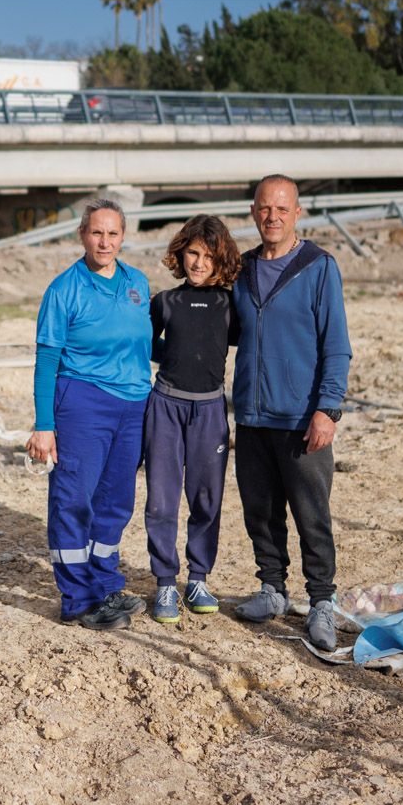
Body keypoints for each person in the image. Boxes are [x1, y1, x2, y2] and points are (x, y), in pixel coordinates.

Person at [230, 175, 353, 650]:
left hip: (302, 420)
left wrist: (328, 409)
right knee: (260, 512)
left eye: (281, 209)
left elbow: (336, 346)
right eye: (264, 208)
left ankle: (321, 600)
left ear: (297, 213)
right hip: (253, 417)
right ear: (254, 212)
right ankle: (272, 589)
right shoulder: (239, 270)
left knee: (311, 514)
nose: (272, 217)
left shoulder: (319, 267)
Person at [26, 198, 153, 631]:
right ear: (82, 235)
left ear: (123, 236)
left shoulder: (138, 283)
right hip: (82, 402)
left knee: (115, 500)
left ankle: (105, 584)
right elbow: (46, 360)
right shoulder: (64, 290)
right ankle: (78, 600)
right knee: (74, 499)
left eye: (113, 233)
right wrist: (44, 424)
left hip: (133, 405)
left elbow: (145, 345)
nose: (105, 241)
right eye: (97, 232)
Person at [142, 214, 242, 624]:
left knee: (206, 499)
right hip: (165, 406)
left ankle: (198, 577)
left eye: (208, 256)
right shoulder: (165, 302)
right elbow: (145, 345)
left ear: (222, 261)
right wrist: (180, 359)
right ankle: (166, 580)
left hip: (210, 410)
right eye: (193, 254)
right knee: (162, 500)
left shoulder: (230, 305)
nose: (199, 263)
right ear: (180, 254)